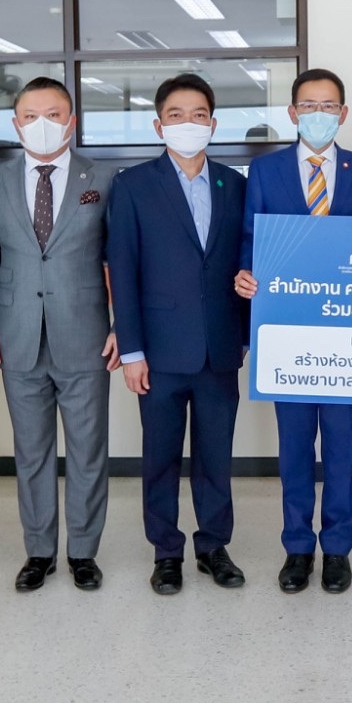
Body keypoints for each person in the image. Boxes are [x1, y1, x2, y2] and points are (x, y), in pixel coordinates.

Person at [235, 68, 352, 595]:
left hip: (346, 336)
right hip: (287, 335)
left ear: (343, 113)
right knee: (295, 449)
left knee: (342, 449)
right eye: (308, 105)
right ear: (292, 113)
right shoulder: (265, 170)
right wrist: (245, 274)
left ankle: (338, 549)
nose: (318, 114)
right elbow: (251, 239)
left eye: (328, 106)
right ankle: (297, 548)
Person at [0, 76, 118, 593]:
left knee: (87, 451)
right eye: (31, 116)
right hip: (17, 337)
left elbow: (120, 260)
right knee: (31, 452)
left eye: (54, 115)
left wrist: (122, 324)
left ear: (71, 121)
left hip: (86, 333)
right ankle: (39, 551)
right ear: (16, 124)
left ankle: (83, 552)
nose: (43, 124)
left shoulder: (103, 177)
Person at [107, 73, 250, 595]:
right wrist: (131, 351)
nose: (188, 123)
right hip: (159, 350)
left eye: (198, 115)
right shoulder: (133, 184)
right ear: (158, 125)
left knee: (216, 456)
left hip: (220, 347)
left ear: (213, 123)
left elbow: (245, 261)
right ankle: (166, 551)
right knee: (160, 457)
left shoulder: (235, 184)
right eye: (176, 115)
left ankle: (213, 546)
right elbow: (122, 270)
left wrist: (245, 336)